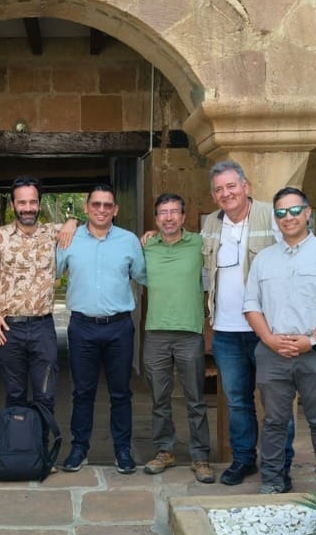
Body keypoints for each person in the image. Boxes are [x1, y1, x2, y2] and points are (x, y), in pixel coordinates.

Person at [201, 160, 316, 487]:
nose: (226, 194)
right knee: (237, 402)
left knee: (278, 408)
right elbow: (205, 271)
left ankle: (282, 467)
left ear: (246, 186)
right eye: (219, 189)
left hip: (272, 332)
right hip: (227, 330)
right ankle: (243, 460)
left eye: (231, 186)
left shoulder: (273, 212)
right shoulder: (211, 223)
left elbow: (304, 234)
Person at [243, 187, 316, 494]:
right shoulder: (264, 259)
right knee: (274, 422)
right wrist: (269, 339)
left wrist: (312, 341)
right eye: (280, 212)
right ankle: (273, 481)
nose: (287, 217)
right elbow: (251, 304)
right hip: (273, 353)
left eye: (294, 211)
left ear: (308, 213)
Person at [56, 184, 146, 474]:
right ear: (86, 208)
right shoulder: (69, 238)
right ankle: (79, 447)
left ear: (115, 210)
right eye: (96, 204)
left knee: (121, 393)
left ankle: (122, 450)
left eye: (108, 205)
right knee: (83, 392)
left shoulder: (129, 240)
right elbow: (50, 272)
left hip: (119, 326)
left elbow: (143, 274)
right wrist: (65, 225)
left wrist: (155, 240)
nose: (102, 210)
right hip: (82, 327)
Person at [0, 176, 76, 421]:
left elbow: (92, 225)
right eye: (21, 202)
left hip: (43, 327)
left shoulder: (52, 233)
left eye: (32, 202)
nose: (28, 208)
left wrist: (72, 221)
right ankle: (19, 452)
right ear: (13, 205)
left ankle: (43, 455)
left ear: (39, 203)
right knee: (15, 394)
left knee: (46, 394)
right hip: (9, 327)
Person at [141, 193, 213, 483]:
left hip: (189, 333)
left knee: (196, 398)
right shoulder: (146, 246)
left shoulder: (200, 243)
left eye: (174, 212)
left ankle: (200, 455)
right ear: (156, 218)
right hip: (156, 332)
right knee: (159, 397)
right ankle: (165, 450)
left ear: (184, 217)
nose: (168, 217)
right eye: (162, 213)